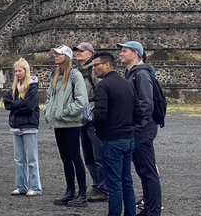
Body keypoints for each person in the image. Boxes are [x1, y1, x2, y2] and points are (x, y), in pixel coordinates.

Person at [92, 52, 137, 216]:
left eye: (96, 65)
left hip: (112, 140)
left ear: (107, 65)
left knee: (114, 184)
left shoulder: (103, 86)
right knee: (127, 182)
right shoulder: (127, 84)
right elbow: (137, 110)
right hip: (128, 138)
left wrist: (101, 133)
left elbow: (100, 113)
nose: (93, 68)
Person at [120, 41, 162, 216]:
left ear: (135, 54)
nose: (121, 53)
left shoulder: (141, 74)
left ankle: (153, 210)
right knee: (142, 169)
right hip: (138, 128)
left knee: (148, 169)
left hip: (143, 129)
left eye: (124, 51)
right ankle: (148, 206)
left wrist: (137, 127)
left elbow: (146, 103)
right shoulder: (131, 73)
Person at [45, 45, 88, 207]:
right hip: (58, 123)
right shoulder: (56, 75)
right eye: (54, 53)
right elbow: (49, 96)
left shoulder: (75, 76)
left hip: (71, 123)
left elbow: (81, 101)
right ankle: (70, 191)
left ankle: (82, 194)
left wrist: (64, 112)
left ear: (67, 56)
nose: (55, 56)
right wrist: (49, 112)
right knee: (65, 158)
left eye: (59, 53)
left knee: (76, 157)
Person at [3, 58, 42, 197]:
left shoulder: (32, 87)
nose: (18, 73)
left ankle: (36, 187)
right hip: (17, 126)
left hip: (29, 125)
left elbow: (29, 106)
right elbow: (6, 102)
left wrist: (15, 107)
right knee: (19, 159)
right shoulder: (15, 87)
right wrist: (19, 105)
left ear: (26, 70)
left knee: (31, 158)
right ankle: (21, 186)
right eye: (16, 71)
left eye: (20, 70)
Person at [74, 42, 107, 202]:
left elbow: (102, 91)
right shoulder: (78, 72)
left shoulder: (94, 70)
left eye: (81, 51)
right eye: (77, 51)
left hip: (92, 116)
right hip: (82, 118)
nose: (78, 53)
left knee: (98, 154)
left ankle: (103, 189)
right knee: (88, 155)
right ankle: (96, 186)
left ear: (90, 54)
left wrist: (97, 114)